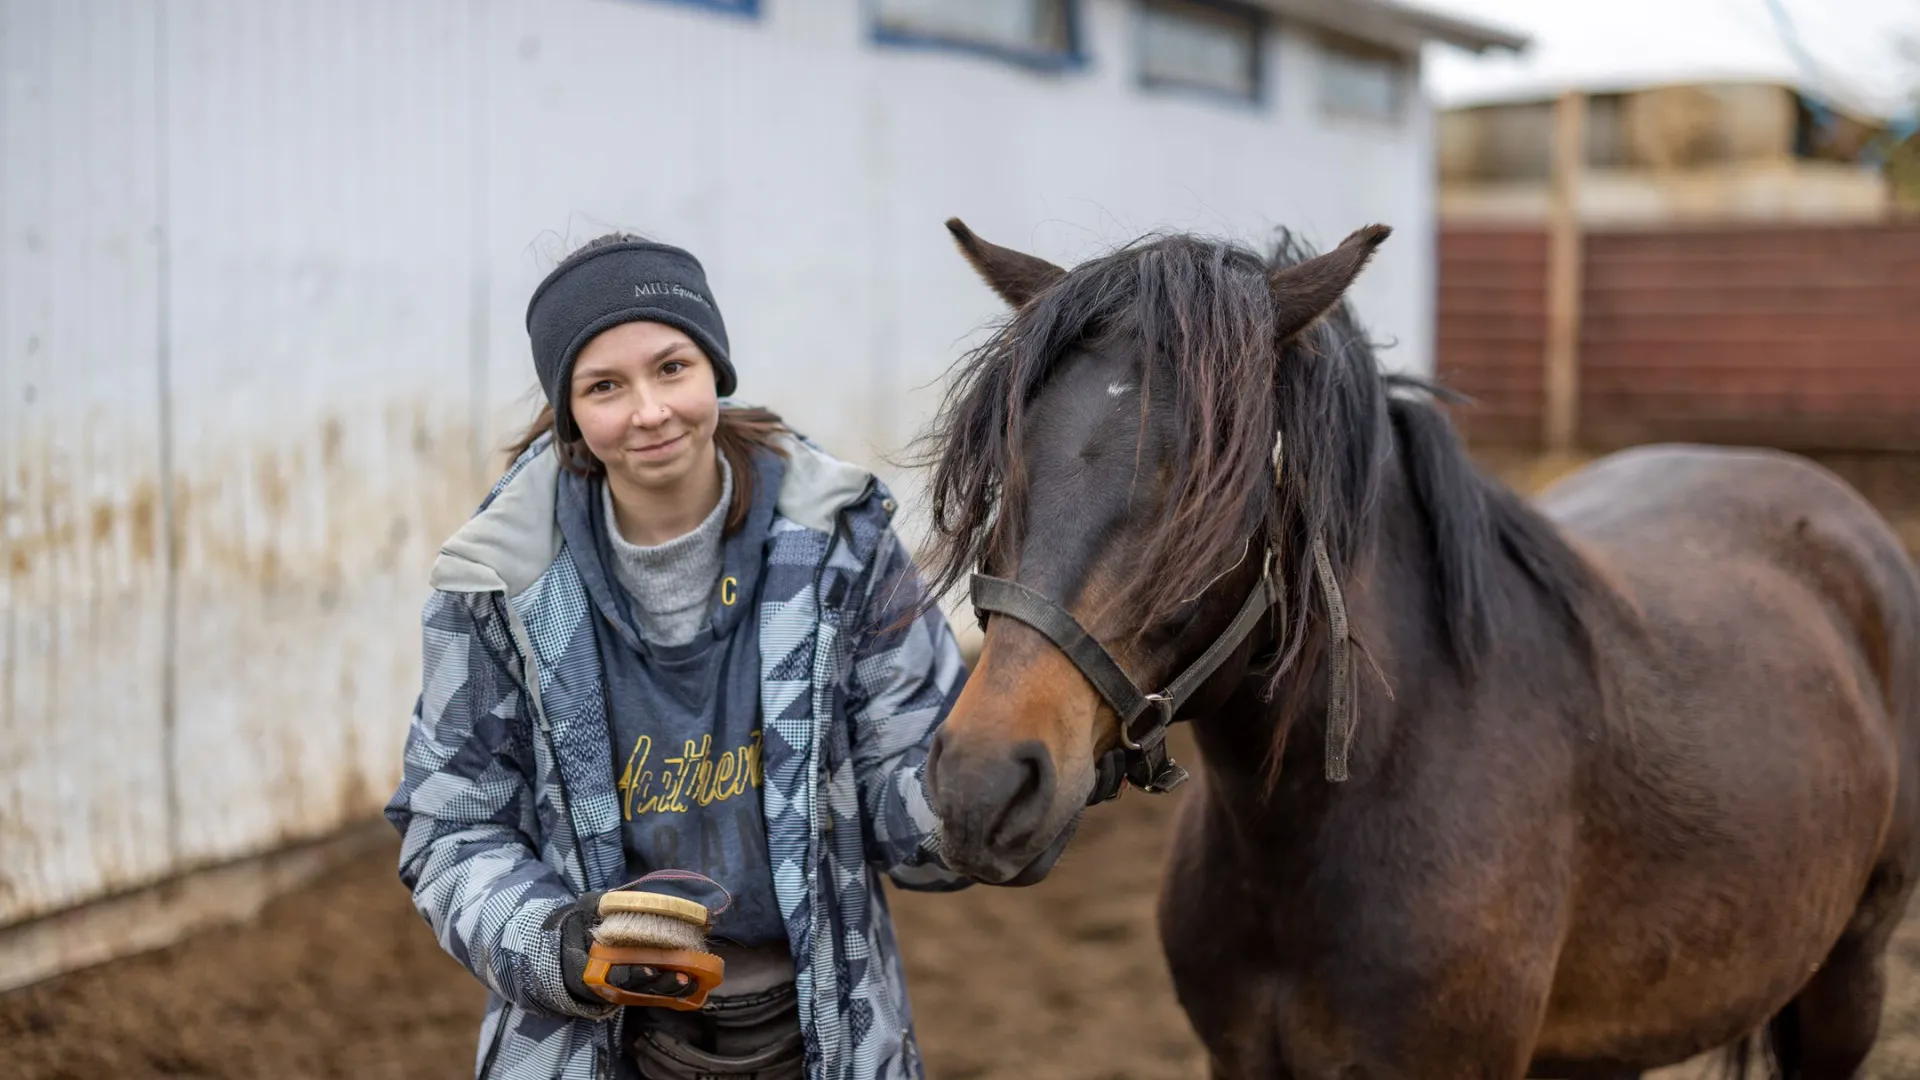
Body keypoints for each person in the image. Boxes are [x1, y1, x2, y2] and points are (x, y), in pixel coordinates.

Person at [385, 233, 971, 1080]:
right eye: (605, 386)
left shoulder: (844, 544)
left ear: (716, 371)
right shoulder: (494, 585)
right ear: (570, 412)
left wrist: (980, 806)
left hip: (827, 1037)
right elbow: (453, 826)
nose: (650, 410)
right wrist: (558, 944)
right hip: (592, 1047)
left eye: (672, 367)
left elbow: (898, 793)